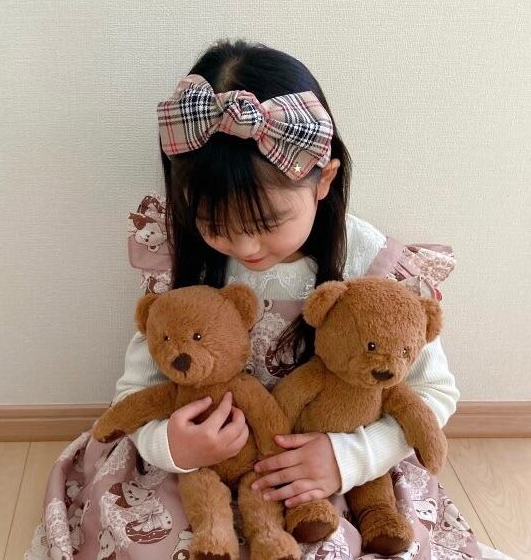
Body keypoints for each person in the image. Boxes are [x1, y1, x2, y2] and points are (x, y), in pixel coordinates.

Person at [26, 39, 508, 560]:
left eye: (267, 222)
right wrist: (172, 446)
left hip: (325, 467)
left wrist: (348, 457)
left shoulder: (369, 263)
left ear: (324, 180)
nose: (245, 247)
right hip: (203, 467)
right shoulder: (185, 261)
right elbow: (137, 391)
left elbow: (433, 390)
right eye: (214, 224)